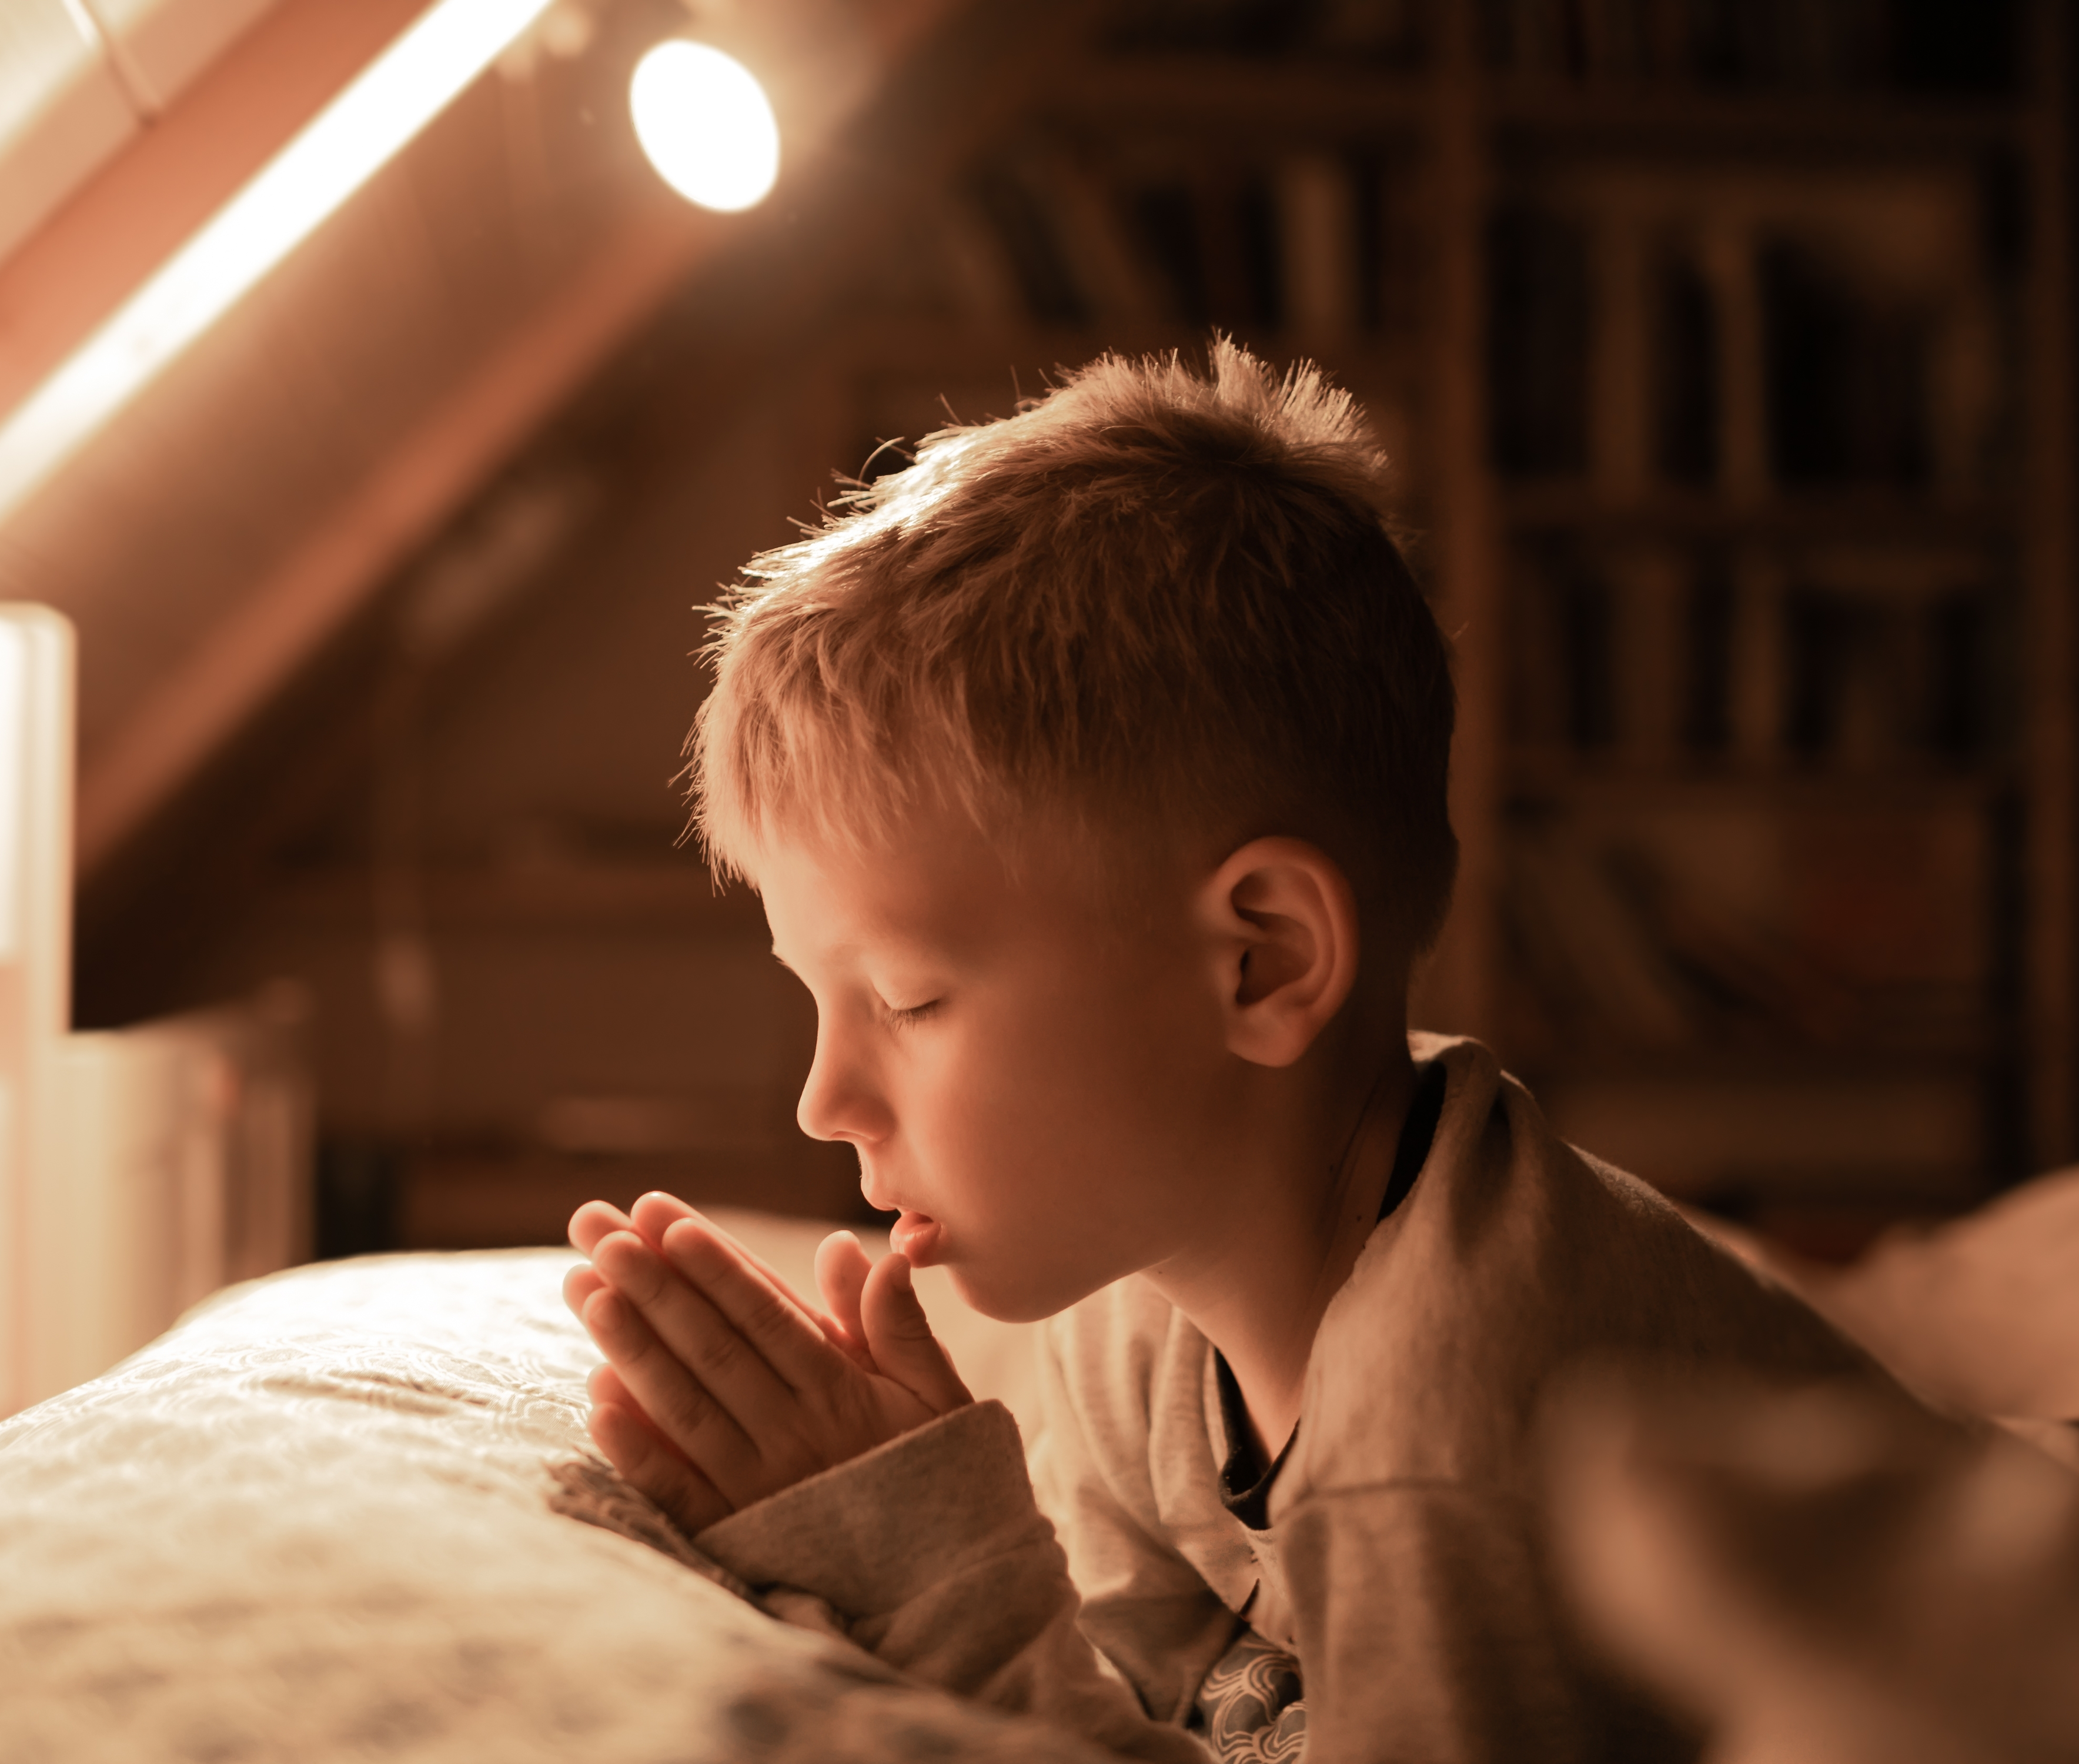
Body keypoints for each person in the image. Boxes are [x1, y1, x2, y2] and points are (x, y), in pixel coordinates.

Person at [561, 342, 1890, 1762]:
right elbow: (1154, 1702)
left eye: (909, 999)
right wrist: (932, 1515)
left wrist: (936, 1574)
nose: (825, 1103)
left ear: (1261, 963)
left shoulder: (1439, 1446)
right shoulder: (1130, 1303)